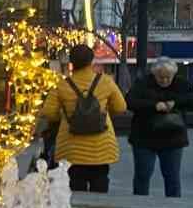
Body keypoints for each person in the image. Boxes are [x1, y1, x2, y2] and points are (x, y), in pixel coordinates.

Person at [37, 44, 126, 193]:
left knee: (75, 189)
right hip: (101, 147)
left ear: (71, 62)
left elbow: (48, 112)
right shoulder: (105, 82)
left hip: (71, 147)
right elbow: (121, 107)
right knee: (100, 185)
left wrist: (66, 114)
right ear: (91, 61)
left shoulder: (62, 85)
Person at [127, 57, 190, 197]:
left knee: (172, 177)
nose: (165, 81)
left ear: (174, 75)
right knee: (142, 175)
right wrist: (153, 105)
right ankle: (140, 206)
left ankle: (173, 207)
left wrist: (176, 103)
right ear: (154, 74)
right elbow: (130, 101)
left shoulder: (180, 83)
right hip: (144, 138)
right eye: (160, 77)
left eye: (168, 77)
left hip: (173, 138)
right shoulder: (142, 83)